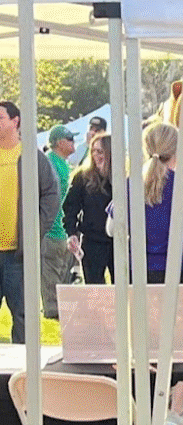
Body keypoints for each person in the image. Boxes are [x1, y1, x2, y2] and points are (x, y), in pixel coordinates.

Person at [105, 121, 183, 425]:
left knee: (144, 341)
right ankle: (176, 408)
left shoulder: (129, 184)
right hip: (177, 272)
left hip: (139, 273)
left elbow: (112, 229)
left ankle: (149, 408)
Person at [0, 101, 59, 343]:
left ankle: (22, 372)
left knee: (23, 315)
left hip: (18, 254)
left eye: (0, 118)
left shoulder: (31, 157)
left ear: (15, 121)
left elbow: (51, 194)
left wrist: (35, 230)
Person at [64, 132, 115, 285]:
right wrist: (71, 232)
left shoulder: (120, 176)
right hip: (92, 240)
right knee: (94, 288)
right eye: (93, 151)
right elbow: (70, 207)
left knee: (122, 286)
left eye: (100, 151)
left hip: (116, 240)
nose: (95, 155)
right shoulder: (83, 176)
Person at [43, 124, 78, 319]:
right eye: (70, 138)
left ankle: (61, 311)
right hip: (51, 230)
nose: (74, 142)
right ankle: (52, 311)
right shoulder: (49, 163)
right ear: (59, 142)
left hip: (63, 230)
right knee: (51, 275)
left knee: (63, 273)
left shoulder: (63, 163)